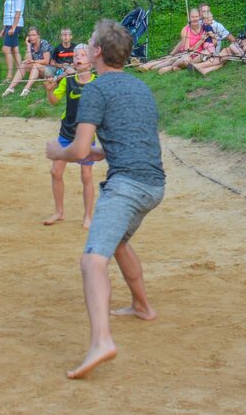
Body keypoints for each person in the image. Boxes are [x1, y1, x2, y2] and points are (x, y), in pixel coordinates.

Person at [46, 19, 166, 380]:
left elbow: (79, 148)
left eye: (89, 44)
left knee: (91, 261)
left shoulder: (96, 90)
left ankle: (101, 341)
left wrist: (57, 150)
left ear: (97, 52)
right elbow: (116, 143)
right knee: (120, 242)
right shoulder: (141, 87)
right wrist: (98, 153)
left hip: (127, 185)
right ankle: (142, 306)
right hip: (154, 184)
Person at [44, 43, 99, 227]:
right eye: (76, 55)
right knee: (55, 171)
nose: (78, 57)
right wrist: (50, 89)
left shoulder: (97, 83)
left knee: (86, 176)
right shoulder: (68, 80)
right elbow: (53, 101)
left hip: (86, 136)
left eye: (83, 54)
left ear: (91, 62)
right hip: (66, 133)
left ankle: (88, 217)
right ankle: (59, 212)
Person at [141, 8, 213, 73]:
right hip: (186, 54)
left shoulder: (204, 28)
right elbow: (187, 50)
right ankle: (148, 66)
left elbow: (212, 41)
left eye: (196, 17)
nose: (195, 19)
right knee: (172, 59)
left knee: (182, 61)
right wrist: (200, 41)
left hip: (197, 55)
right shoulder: (185, 29)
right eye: (192, 17)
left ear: (199, 17)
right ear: (189, 18)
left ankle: (169, 68)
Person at [4, 27, 52, 97]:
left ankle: (27, 88)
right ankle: (10, 87)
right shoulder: (31, 44)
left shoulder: (44, 43)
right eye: (30, 35)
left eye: (33, 35)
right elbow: (27, 60)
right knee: (24, 64)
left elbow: (46, 61)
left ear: (38, 35)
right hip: (38, 69)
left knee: (35, 65)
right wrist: (28, 46)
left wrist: (33, 61)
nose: (31, 37)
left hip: (49, 70)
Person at [0, 0, 25, 82]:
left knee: (6, 49)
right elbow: (7, 12)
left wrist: (13, 27)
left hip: (15, 24)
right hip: (8, 25)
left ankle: (9, 75)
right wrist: (4, 28)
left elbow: (18, 12)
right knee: (15, 49)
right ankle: (21, 72)